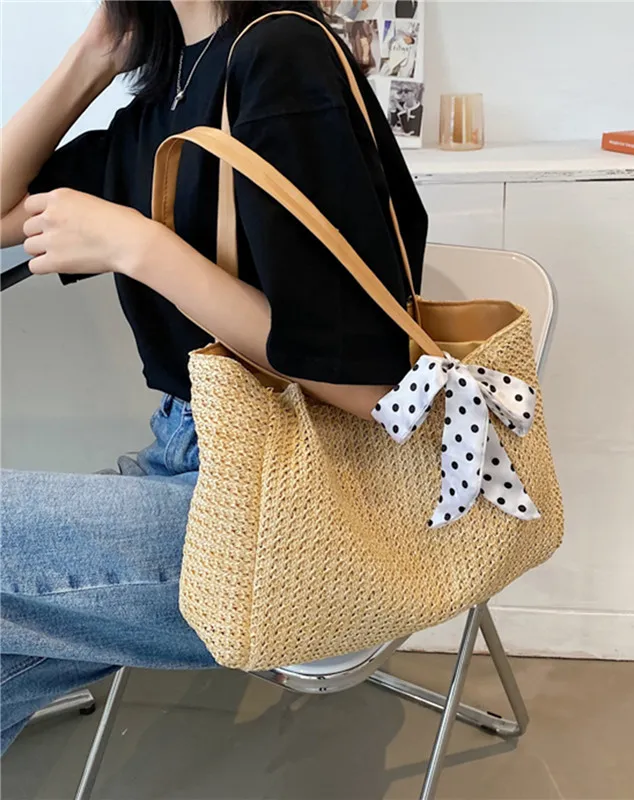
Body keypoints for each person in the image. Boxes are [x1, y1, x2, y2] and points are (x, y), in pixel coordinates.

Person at [0, 0, 427, 755]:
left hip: (303, 509)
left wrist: (137, 247)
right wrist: (96, 53)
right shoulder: (165, 100)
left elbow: (374, 391)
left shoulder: (280, 54)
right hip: (186, 461)